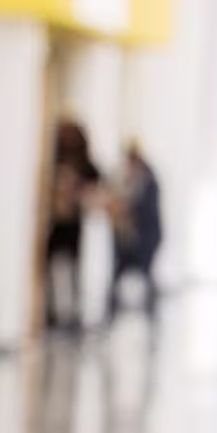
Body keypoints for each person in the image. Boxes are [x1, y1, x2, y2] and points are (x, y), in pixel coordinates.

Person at [45, 119, 101, 332]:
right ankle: (53, 312)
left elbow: (95, 183)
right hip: (56, 224)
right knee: (54, 266)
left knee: (71, 268)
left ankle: (70, 313)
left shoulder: (84, 163)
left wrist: (76, 190)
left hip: (73, 225)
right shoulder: (56, 156)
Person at [108, 142, 164, 324]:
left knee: (146, 274)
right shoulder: (132, 178)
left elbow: (140, 207)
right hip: (132, 238)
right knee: (120, 274)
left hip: (147, 237)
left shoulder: (148, 180)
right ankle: (113, 313)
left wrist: (125, 207)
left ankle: (152, 313)